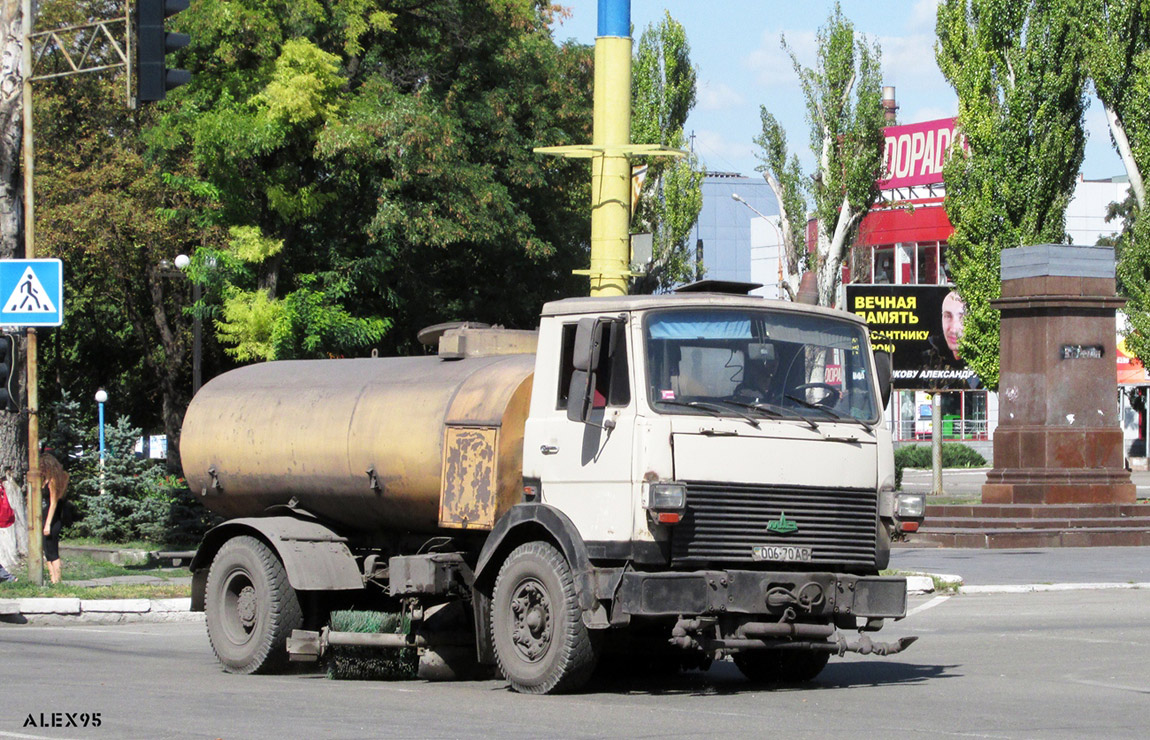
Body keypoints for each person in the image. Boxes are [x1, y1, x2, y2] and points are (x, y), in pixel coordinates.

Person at [40, 452, 70, 585]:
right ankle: (52, 580)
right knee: (46, 552)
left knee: (53, 552)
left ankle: (58, 581)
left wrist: (48, 524)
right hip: (43, 518)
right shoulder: (43, 480)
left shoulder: (53, 481)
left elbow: (53, 503)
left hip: (52, 521)